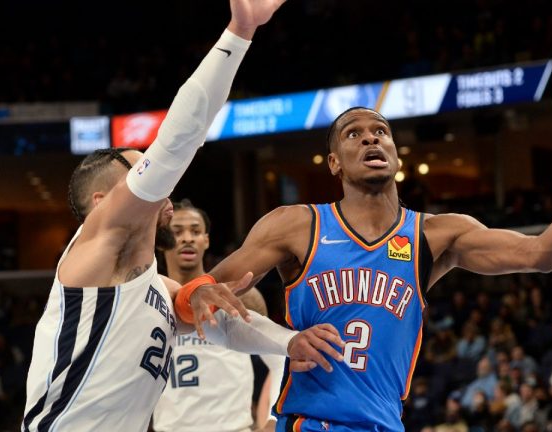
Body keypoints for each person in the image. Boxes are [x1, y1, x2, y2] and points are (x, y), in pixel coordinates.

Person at [181, 95, 552, 431]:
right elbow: (207, 291)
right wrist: (198, 291)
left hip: (386, 422)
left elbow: (543, 254)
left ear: (395, 152)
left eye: (381, 132)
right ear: (333, 163)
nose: (371, 140)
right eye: (354, 134)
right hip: (312, 421)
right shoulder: (295, 225)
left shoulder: (436, 234)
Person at [21, 1, 344, 430]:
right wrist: (239, 32)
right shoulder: (97, 242)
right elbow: (176, 143)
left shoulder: (152, 284)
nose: (156, 182)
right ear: (102, 202)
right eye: (137, 169)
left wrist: (291, 342)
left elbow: (225, 329)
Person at [152, 200, 285, 432]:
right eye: (177, 231)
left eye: (195, 231)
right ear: (163, 243)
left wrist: (274, 419)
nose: (187, 238)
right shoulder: (151, 298)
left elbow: (280, 359)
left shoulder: (244, 296)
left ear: (206, 240)